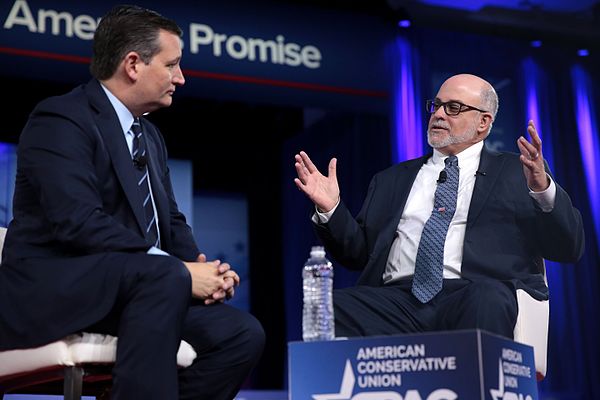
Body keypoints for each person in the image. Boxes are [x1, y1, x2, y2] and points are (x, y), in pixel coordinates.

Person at [0, 5, 264, 399]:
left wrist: (201, 269)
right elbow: (76, 220)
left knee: (241, 333)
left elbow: (170, 221)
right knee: (165, 276)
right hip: (55, 292)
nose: (181, 77)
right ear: (133, 64)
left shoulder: (149, 137)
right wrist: (180, 271)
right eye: (172, 65)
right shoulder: (60, 119)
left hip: (136, 289)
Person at [294, 73, 584, 340]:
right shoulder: (391, 179)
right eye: (437, 105)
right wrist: (332, 209)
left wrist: (542, 190)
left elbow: (568, 248)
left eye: (454, 108)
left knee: (489, 298)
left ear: (483, 122)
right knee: (330, 307)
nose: (439, 115)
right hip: (397, 301)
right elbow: (358, 255)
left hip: (474, 293)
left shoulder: (516, 171)